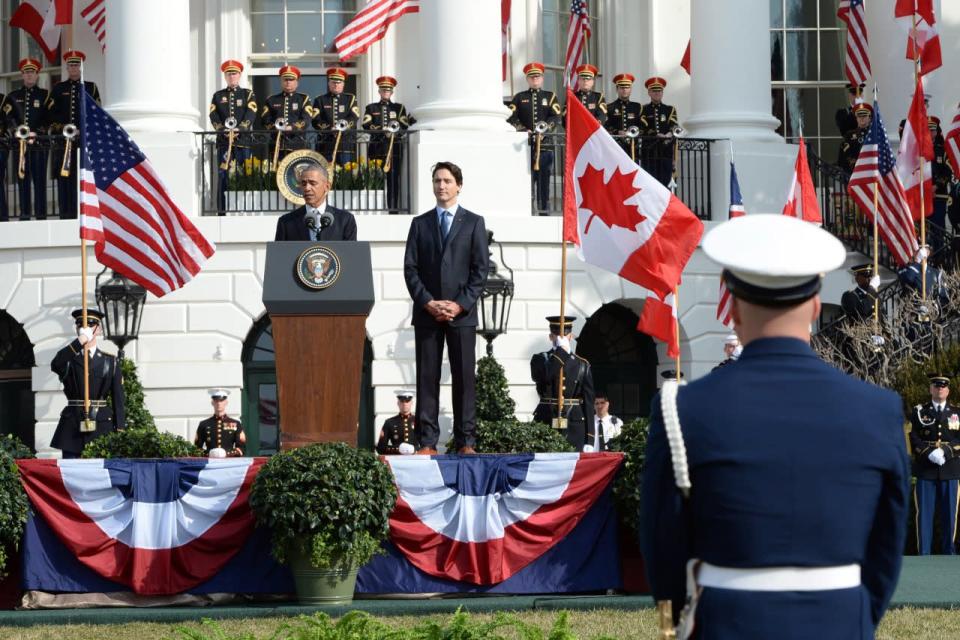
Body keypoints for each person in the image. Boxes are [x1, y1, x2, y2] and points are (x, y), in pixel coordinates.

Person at [641, 214, 909, 639]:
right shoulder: (878, 409)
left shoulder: (683, 408)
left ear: (731, 301)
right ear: (817, 302)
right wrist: (853, 615)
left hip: (726, 622)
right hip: (839, 619)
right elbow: (886, 550)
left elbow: (664, 547)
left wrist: (681, 624)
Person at [403, 161, 489, 455]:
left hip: (461, 316)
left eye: (447, 181)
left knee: (464, 379)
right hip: (427, 314)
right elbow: (410, 269)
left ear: (459, 185)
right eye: (437, 181)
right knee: (427, 377)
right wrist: (428, 302)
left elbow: (481, 271)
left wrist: (460, 304)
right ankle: (427, 441)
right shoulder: (420, 223)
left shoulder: (474, 222)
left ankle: (466, 441)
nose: (442, 186)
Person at [50, 309, 125, 458]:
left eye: (91, 325)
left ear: (99, 329)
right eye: (81, 326)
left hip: (102, 425)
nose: (86, 329)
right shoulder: (69, 358)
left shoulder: (110, 362)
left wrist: (120, 429)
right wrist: (79, 342)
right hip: (72, 427)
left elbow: (118, 398)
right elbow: (56, 364)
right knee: (72, 474)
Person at [909, 374, 960, 555]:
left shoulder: (957, 412)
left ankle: (949, 554)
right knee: (924, 516)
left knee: (950, 516)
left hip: (950, 468)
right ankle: (923, 555)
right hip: (926, 469)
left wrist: (946, 452)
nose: (940, 388)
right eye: (936, 385)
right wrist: (928, 453)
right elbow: (913, 436)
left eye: (943, 386)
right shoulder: (919, 411)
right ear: (931, 389)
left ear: (948, 390)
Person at [48, 50, 101, 220]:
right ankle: (66, 213)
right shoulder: (58, 88)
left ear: (81, 66)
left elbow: (97, 113)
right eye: (70, 65)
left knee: (83, 177)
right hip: (64, 142)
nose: (73, 68)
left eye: (76, 65)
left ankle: (83, 213)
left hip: (83, 141)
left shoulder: (90, 87)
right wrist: (63, 128)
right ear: (67, 67)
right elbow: (50, 113)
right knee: (64, 178)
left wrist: (82, 129)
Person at [531, 315, 596, 450]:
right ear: (551, 337)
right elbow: (546, 376)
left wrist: (590, 438)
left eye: (564, 335)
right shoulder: (540, 359)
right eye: (556, 335)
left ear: (570, 337)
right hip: (546, 421)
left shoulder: (582, 364)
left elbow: (589, 403)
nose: (560, 339)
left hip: (574, 426)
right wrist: (561, 353)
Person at [507, 62, 561, 214]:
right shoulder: (519, 97)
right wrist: (523, 130)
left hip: (545, 147)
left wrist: (546, 129)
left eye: (537, 76)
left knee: (544, 182)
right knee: (527, 181)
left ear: (542, 78)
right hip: (525, 147)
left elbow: (556, 117)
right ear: (527, 79)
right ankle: (527, 211)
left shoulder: (550, 97)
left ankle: (544, 211)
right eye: (532, 77)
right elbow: (511, 117)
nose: (535, 79)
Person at [2, 58, 50, 221]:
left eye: (32, 73)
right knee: (22, 180)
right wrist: (17, 130)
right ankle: (24, 214)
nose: (29, 76)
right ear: (22, 75)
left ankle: (41, 215)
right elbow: (8, 118)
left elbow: (49, 118)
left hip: (39, 145)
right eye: (26, 73)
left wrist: (38, 132)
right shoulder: (13, 96)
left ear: (37, 75)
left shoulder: (45, 95)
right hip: (19, 146)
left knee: (40, 181)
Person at [209, 59, 258, 214]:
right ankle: (222, 210)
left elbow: (251, 112)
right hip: (224, 143)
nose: (232, 77)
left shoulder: (247, 94)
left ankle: (246, 209)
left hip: (243, 142)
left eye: (234, 73)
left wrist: (241, 128)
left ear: (239, 75)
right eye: (229, 74)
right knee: (223, 177)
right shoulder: (218, 96)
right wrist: (222, 129)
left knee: (246, 175)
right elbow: (213, 115)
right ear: (225, 76)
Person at [363, 76, 413, 213]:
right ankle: (375, 208)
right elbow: (366, 124)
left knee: (392, 179)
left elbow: (403, 125)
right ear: (379, 91)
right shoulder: (371, 107)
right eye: (383, 90)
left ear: (392, 92)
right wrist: (382, 130)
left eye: (388, 90)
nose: (386, 92)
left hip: (394, 148)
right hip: (376, 148)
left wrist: (394, 134)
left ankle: (392, 209)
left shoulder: (399, 108)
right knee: (374, 178)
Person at [274, 163, 357, 241]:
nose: (307, 188)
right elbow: (279, 254)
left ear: (327, 187)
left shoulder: (345, 220)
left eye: (312, 183)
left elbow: (350, 254)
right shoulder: (286, 222)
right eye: (303, 183)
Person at [260, 65, 310, 163]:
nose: (288, 82)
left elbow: (306, 119)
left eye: (291, 80)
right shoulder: (271, 100)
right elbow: (265, 120)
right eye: (285, 79)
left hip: (297, 143)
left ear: (296, 83)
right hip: (277, 143)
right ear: (281, 81)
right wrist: (276, 127)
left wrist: (291, 127)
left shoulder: (303, 99)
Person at [312, 67, 360, 166]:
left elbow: (354, 117)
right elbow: (315, 120)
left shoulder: (350, 99)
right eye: (333, 82)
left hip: (345, 144)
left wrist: (341, 127)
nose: (336, 85)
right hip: (326, 144)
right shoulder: (320, 100)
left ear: (343, 84)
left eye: (339, 82)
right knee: (326, 174)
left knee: (345, 175)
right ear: (329, 83)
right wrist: (330, 128)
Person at [639, 76, 679, 187]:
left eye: (659, 91)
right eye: (654, 91)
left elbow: (674, 125)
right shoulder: (643, 109)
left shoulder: (669, 109)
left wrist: (669, 134)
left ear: (662, 92)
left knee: (665, 182)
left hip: (666, 151)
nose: (657, 93)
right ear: (649, 92)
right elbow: (643, 126)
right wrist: (656, 134)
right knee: (650, 183)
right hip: (649, 151)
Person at [195, 388, 245, 457]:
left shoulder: (236, 424)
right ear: (212, 403)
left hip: (229, 463)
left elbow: (241, 449)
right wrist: (209, 454)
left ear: (226, 402)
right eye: (216, 401)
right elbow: (196, 449)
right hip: (210, 463)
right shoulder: (204, 424)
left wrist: (226, 453)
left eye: (221, 401)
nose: (219, 403)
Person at [604, 73, 643, 162]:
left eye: (627, 87)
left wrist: (634, 132)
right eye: (622, 87)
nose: (624, 90)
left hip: (633, 147)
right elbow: (605, 126)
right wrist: (617, 132)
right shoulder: (610, 107)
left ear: (631, 89)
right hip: (616, 147)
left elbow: (642, 126)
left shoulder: (637, 107)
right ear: (617, 89)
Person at [376, 390, 418, 455]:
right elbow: (380, 448)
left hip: (416, 460)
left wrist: (415, 449)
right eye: (402, 401)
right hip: (396, 460)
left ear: (411, 403)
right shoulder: (390, 422)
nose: (404, 404)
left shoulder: (419, 422)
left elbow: (426, 445)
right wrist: (398, 449)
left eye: (407, 401)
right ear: (398, 403)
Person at [837, 102, 872, 173]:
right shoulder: (849, 135)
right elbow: (845, 154)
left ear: (869, 118)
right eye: (859, 116)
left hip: (870, 171)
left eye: (864, 116)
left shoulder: (874, 134)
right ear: (856, 118)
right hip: (854, 172)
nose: (861, 118)